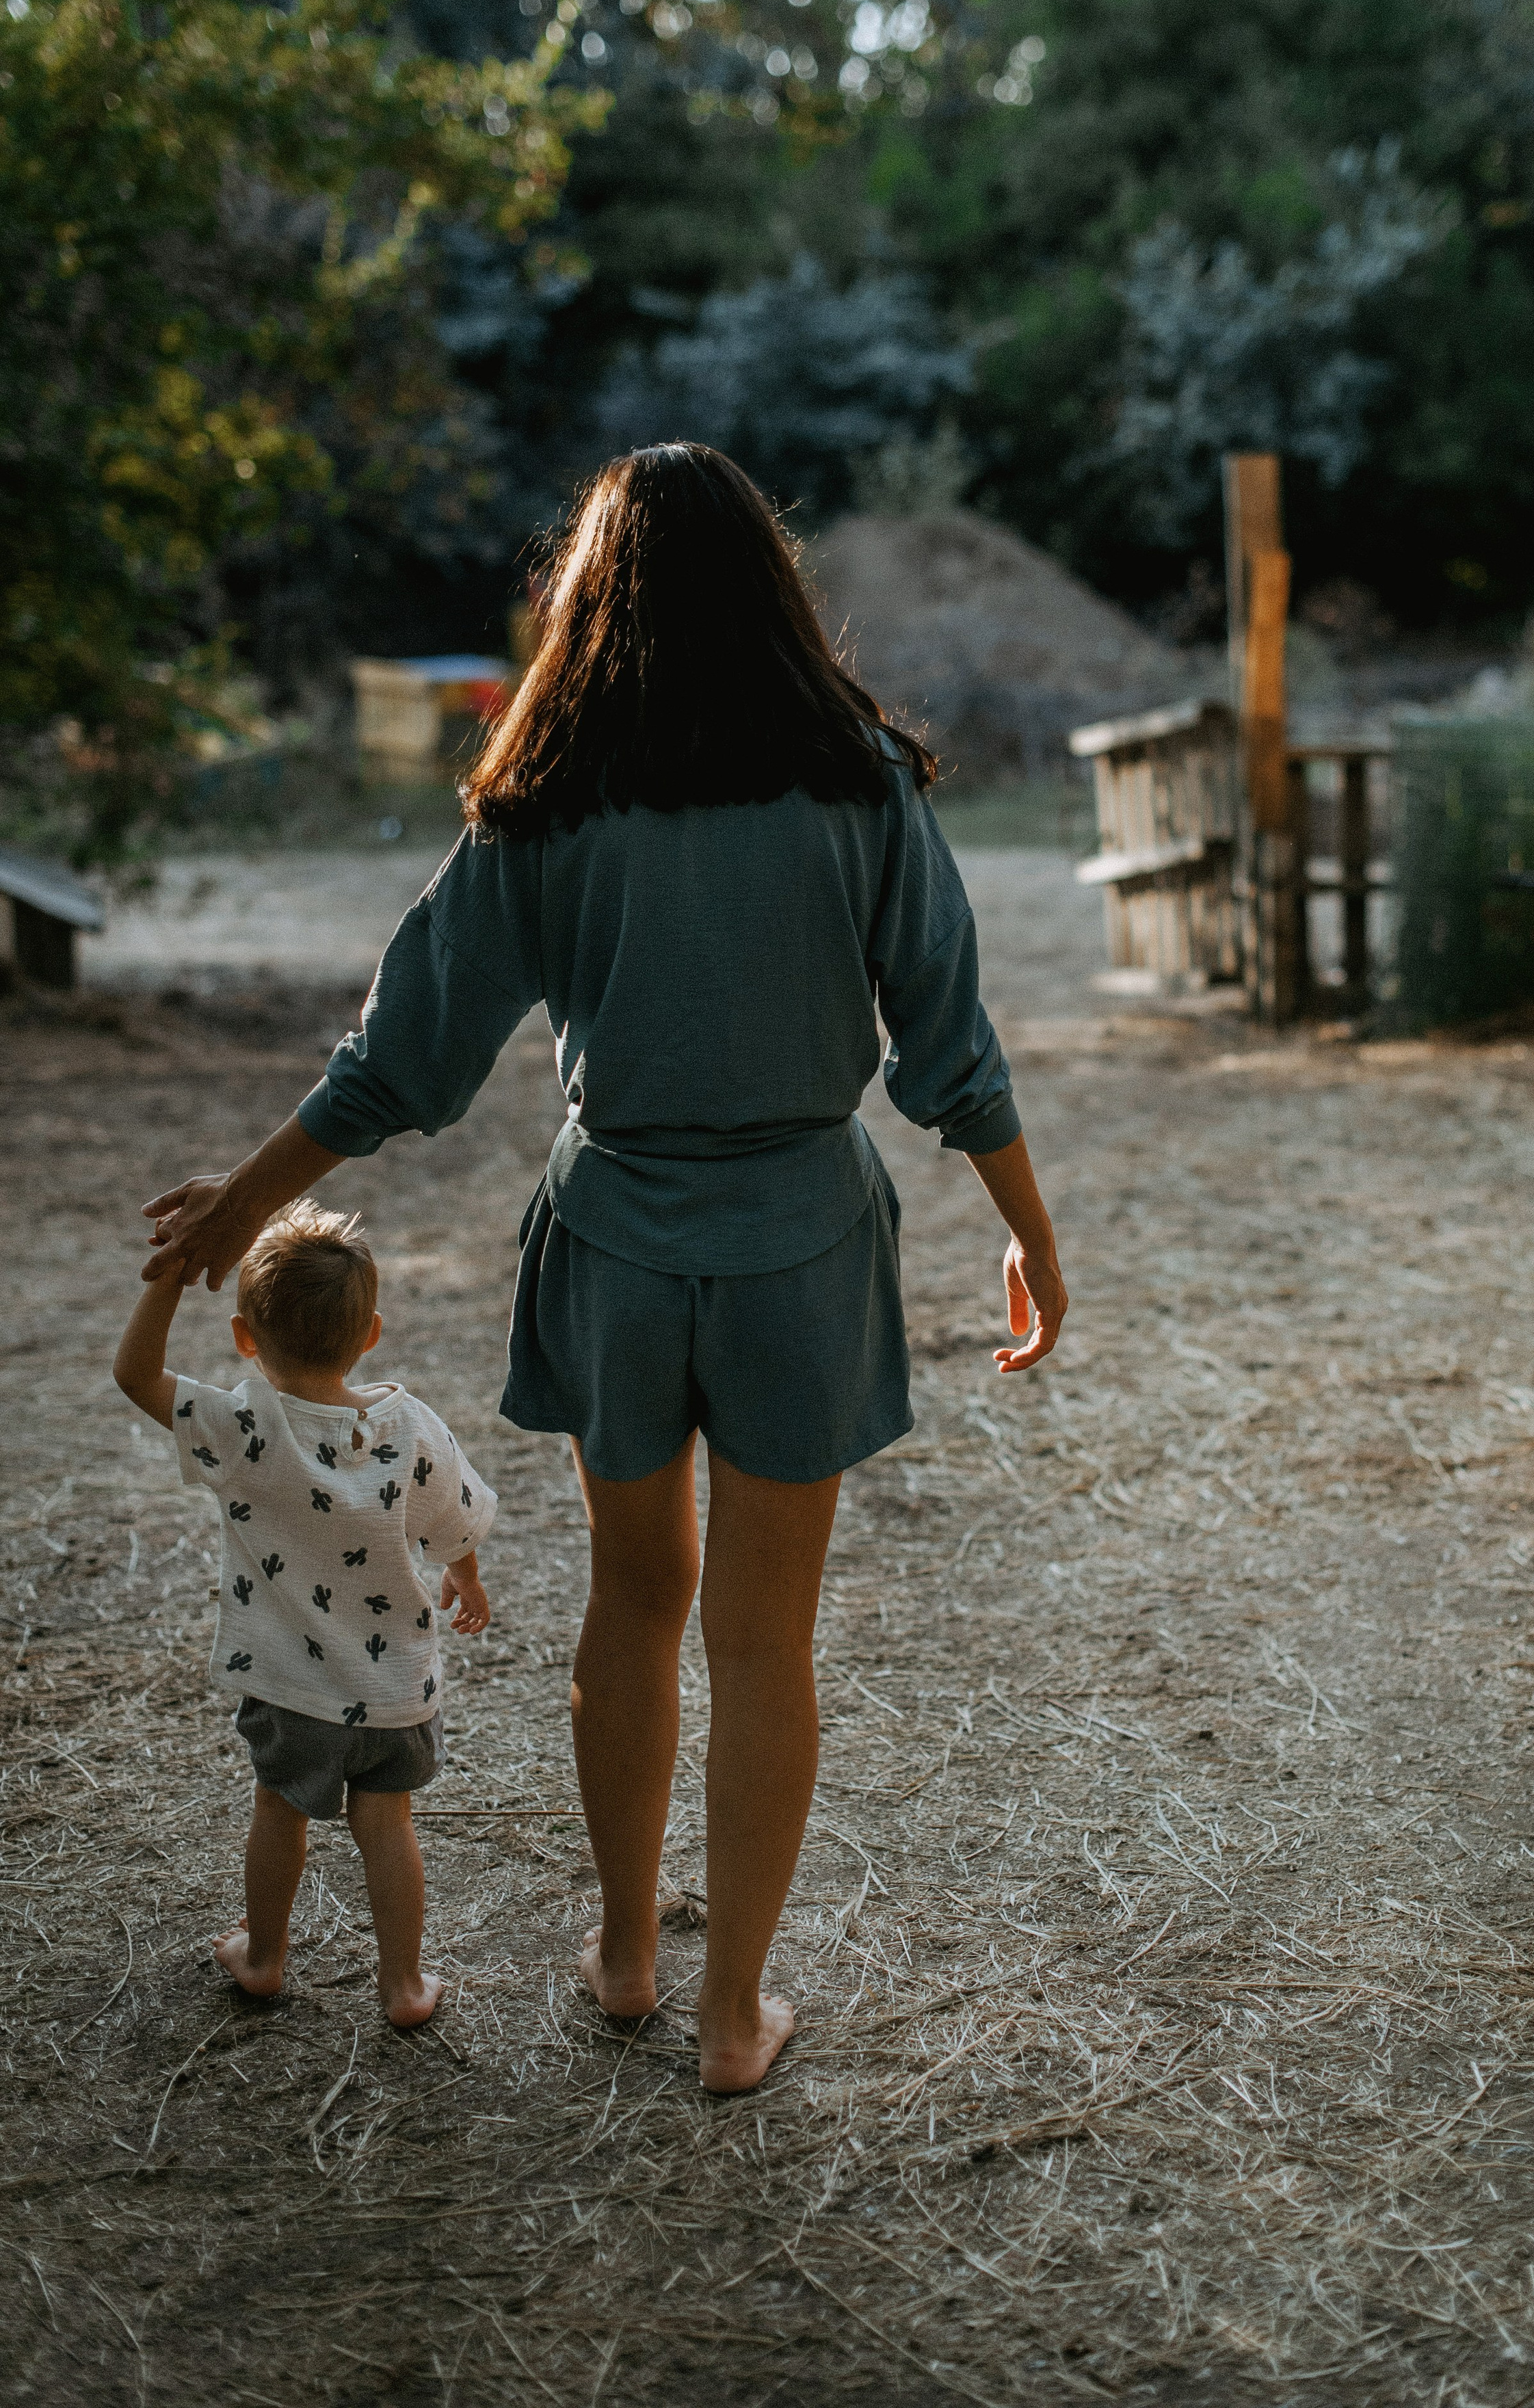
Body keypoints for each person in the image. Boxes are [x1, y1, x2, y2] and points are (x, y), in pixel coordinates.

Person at [140, 440, 1068, 2093]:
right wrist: (1029, 1231)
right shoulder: (860, 780)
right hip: (803, 1243)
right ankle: (733, 2019)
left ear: (591, 599)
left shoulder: (550, 796)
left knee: (634, 1600)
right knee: (763, 1638)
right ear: (771, 593)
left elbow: (395, 1059)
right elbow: (950, 1046)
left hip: (619, 1241)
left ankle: (631, 1958)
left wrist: (242, 1204)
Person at [115, 1202, 494, 2026]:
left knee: (278, 1809)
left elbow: (136, 1377)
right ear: (372, 1332)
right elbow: (455, 1521)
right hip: (397, 1691)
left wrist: (172, 1278)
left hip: (292, 1690)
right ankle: (401, 1987)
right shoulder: (409, 1424)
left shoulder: (247, 1424)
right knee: (387, 1822)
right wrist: (464, 1575)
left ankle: (264, 1957)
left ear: (246, 1336)